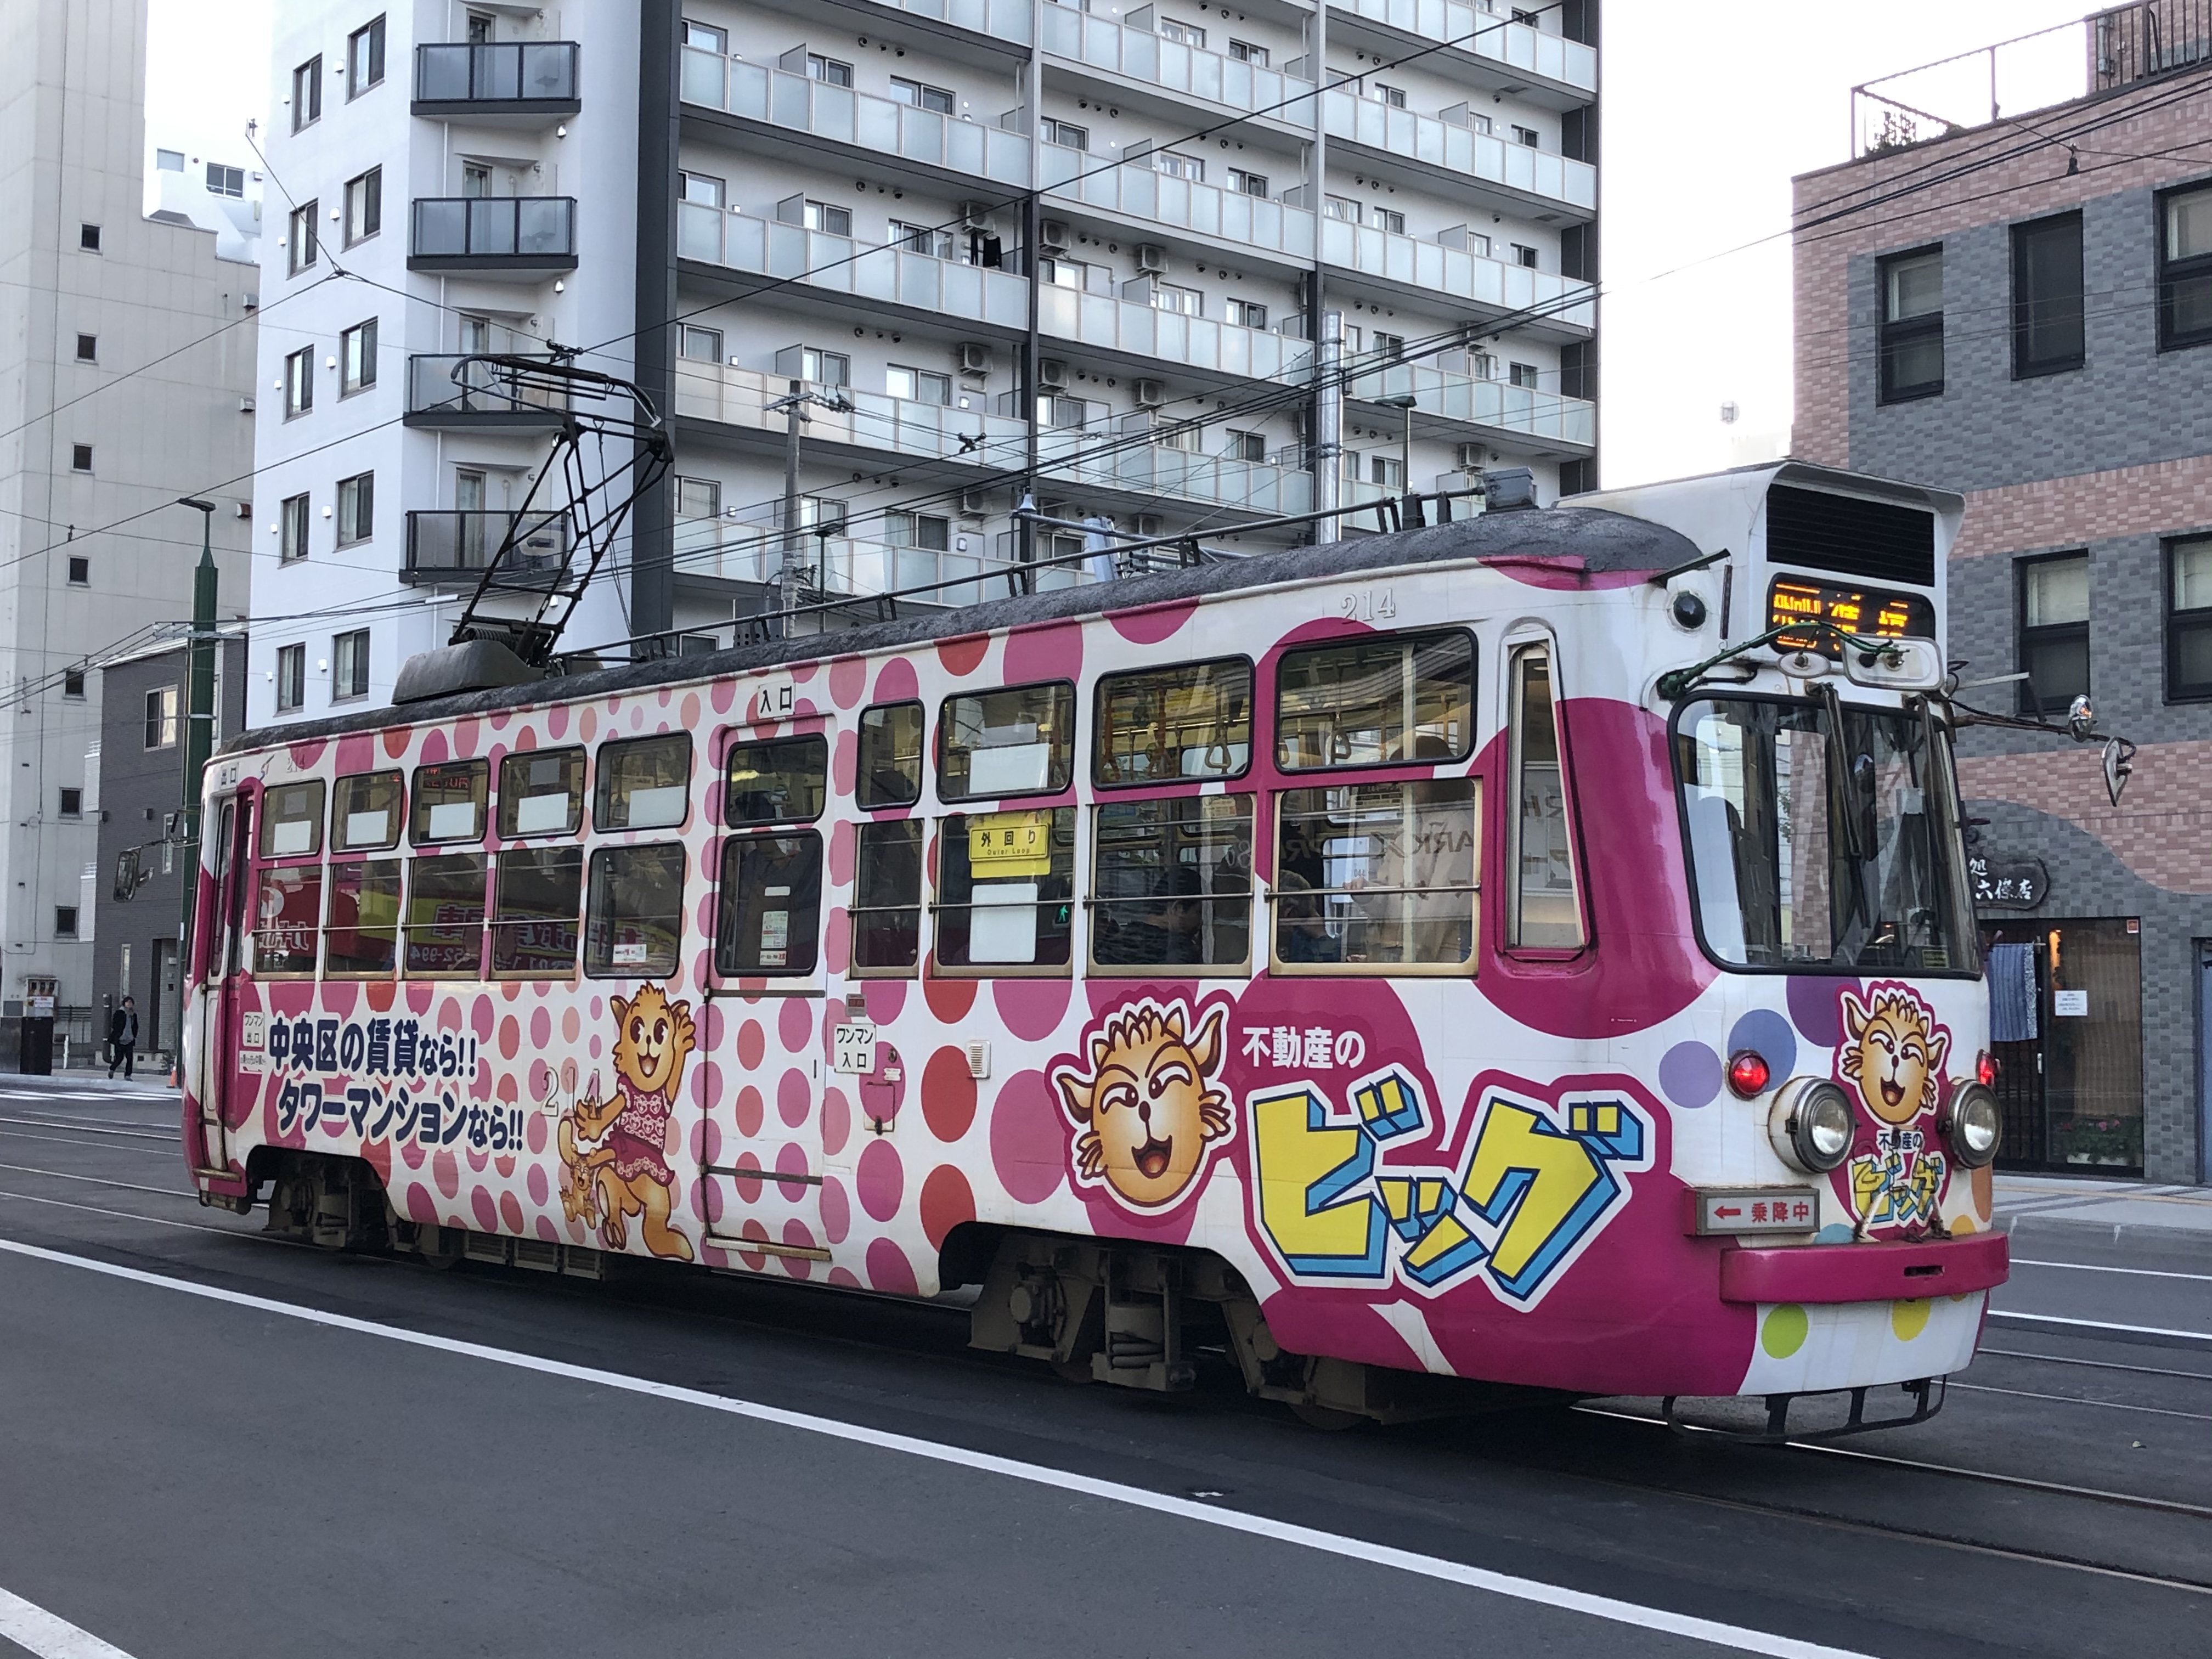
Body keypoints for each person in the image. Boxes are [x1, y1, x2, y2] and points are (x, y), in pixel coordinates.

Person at [107, 996, 138, 1080]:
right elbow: (114, 1024)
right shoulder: (119, 1013)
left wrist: (134, 1035)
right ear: (124, 1003)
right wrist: (118, 1034)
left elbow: (135, 1026)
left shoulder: (133, 1015)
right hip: (120, 1039)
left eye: (131, 1002)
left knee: (130, 1058)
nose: (129, 1004)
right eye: (128, 1002)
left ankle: (128, 1075)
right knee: (119, 1058)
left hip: (130, 1039)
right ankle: (112, 1069)